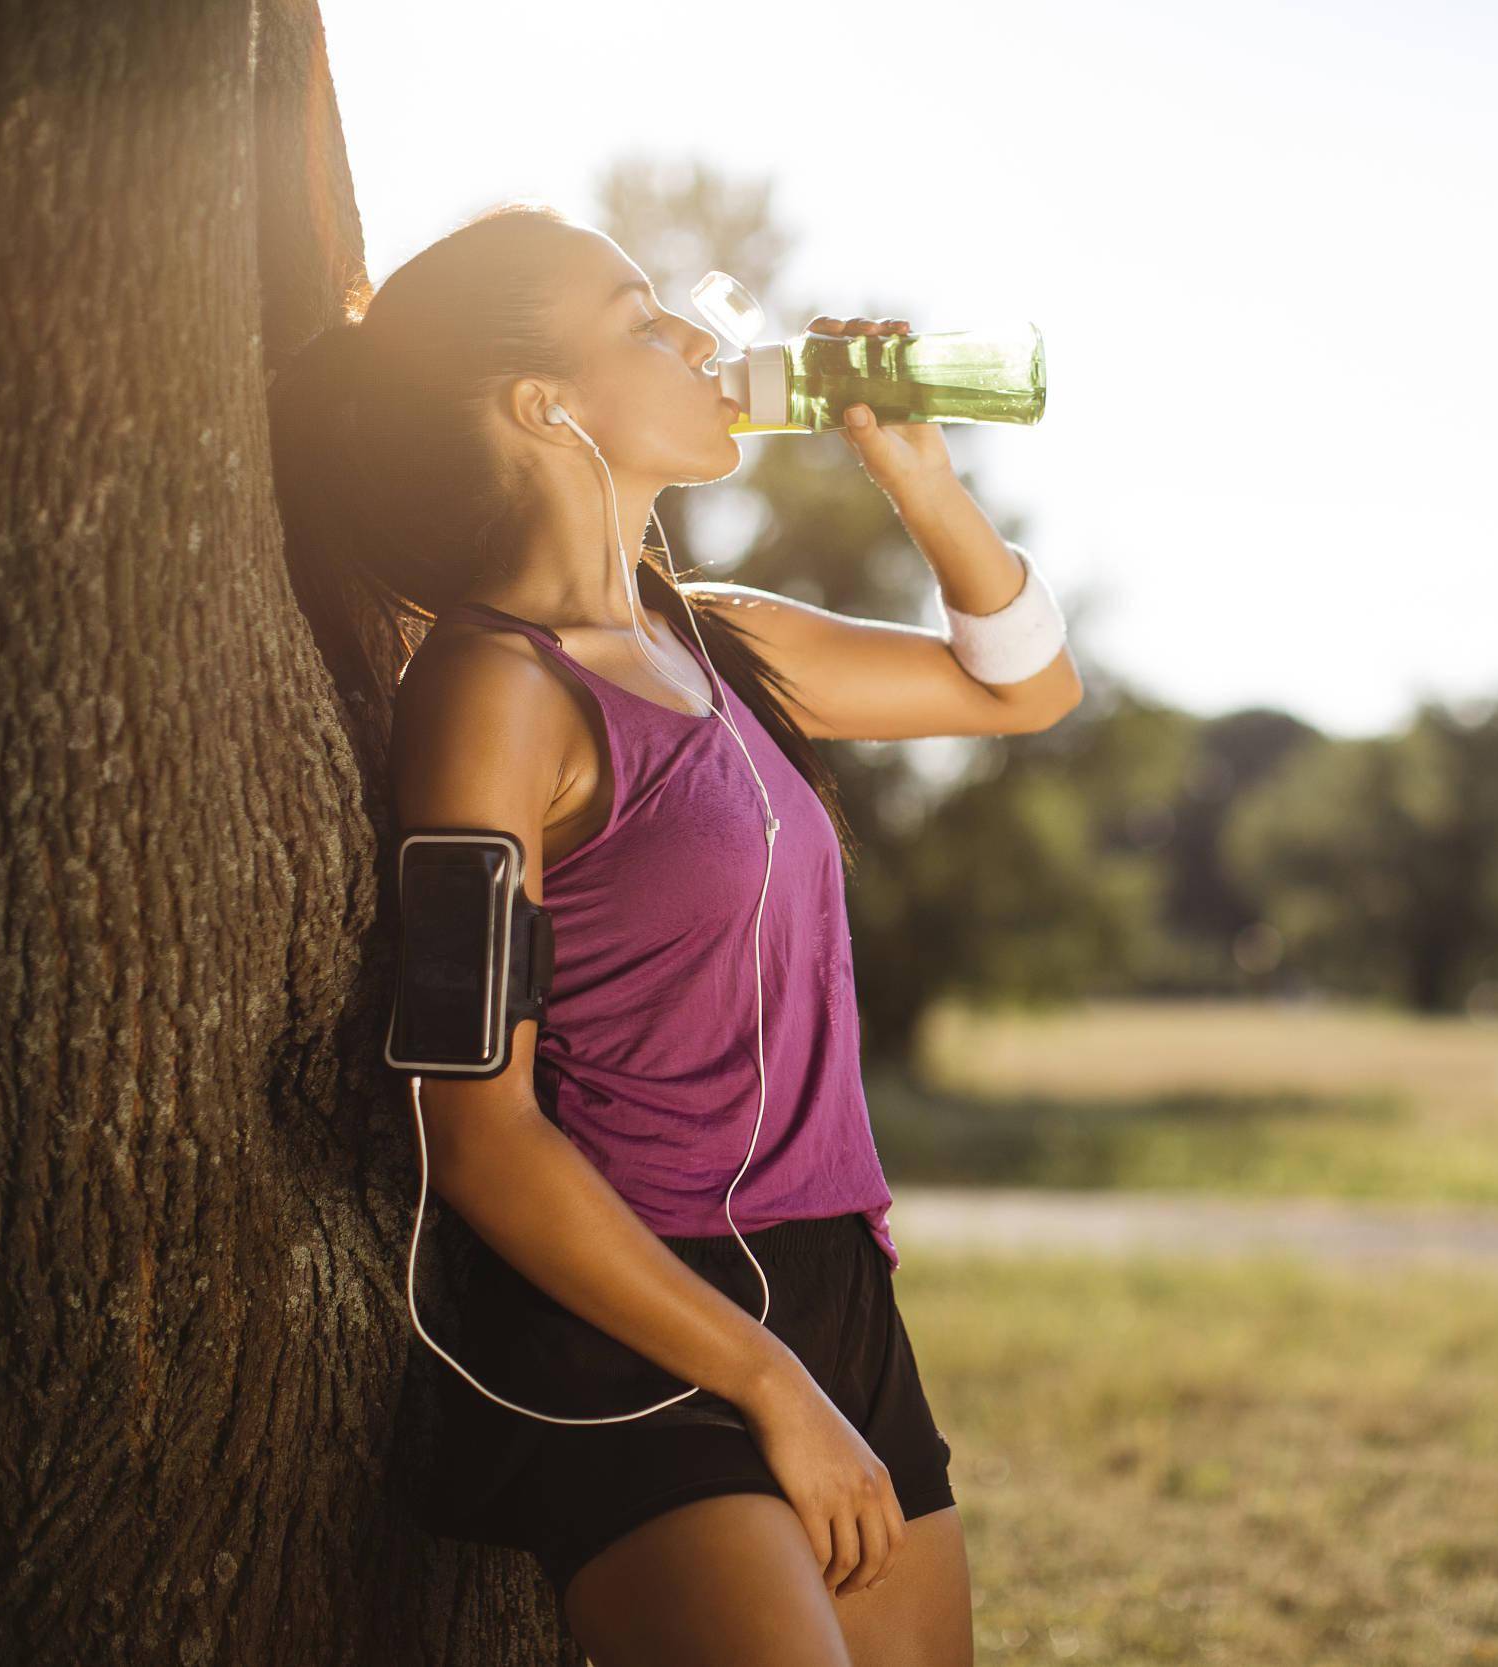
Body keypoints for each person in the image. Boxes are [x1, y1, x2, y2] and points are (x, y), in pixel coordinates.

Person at [267, 200, 1080, 1666]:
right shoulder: (493, 693)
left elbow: (1023, 690)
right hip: (632, 1320)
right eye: (645, 321)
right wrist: (769, 1387)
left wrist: (920, 477)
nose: (706, 340)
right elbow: (479, 1125)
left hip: (833, 1280)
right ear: (544, 406)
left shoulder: (717, 637)